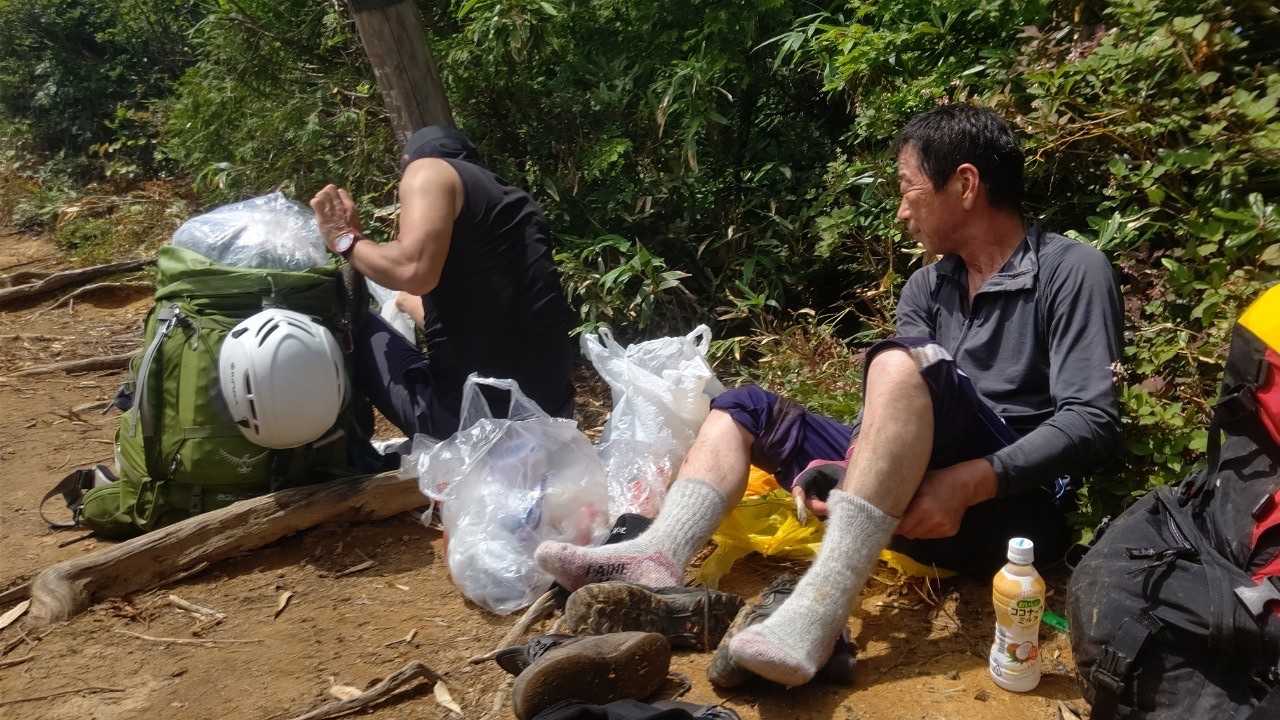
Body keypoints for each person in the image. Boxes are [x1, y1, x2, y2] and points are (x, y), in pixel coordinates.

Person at [534, 104, 1124, 687]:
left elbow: (1092, 419)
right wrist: (845, 467)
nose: (902, 211)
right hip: (909, 495)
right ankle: (657, 554)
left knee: (899, 362)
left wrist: (965, 484)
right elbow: (893, 416)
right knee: (743, 408)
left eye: (908, 188)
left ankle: (816, 616)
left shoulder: (1071, 272)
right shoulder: (928, 285)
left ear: (965, 184)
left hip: (1003, 513)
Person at [310, 126, 577, 439]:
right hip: (552, 415)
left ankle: (346, 452)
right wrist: (406, 303)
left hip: (473, 425)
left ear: (408, 162)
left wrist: (343, 238)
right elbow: (485, 322)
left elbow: (412, 271)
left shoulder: (428, 171)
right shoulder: (514, 206)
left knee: (355, 325)